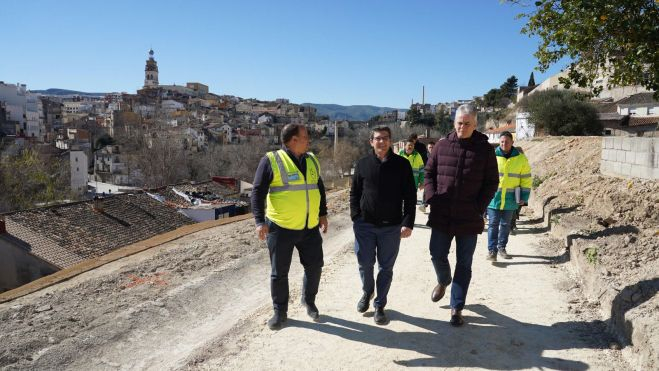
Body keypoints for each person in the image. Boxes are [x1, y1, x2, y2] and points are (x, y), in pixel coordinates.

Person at [423, 104, 499, 327]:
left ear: (475, 125)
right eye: (459, 123)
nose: (462, 127)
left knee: (464, 264)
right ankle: (443, 280)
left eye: (467, 124)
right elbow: (429, 173)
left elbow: (491, 182)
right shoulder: (441, 145)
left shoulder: (485, 150)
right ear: (453, 122)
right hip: (441, 213)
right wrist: (431, 197)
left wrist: (479, 206)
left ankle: (457, 307)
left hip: (469, 216)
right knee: (437, 254)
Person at [251, 124, 329, 330]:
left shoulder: (311, 159)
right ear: (293, 140)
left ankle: (308, 301)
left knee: (315, 267)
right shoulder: (271, 160)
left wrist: (323, 213)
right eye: (305, 137)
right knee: (279, 273)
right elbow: (257, 192)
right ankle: (280, 312)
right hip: (280, 228)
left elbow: (318, 187)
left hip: (309, 227)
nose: (308, 140)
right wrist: (259, 222)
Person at [350, 126, 416, 325]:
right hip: (365, 226)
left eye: (385, 138)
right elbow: (354, 193)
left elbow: (410, 197)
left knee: (386, 268)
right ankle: (367, 292)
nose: (382, 142)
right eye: (378, 138)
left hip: (391, 227)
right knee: (365, 263)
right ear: (371, 142)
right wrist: (355, 216)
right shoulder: (362, 164)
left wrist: (408, 223)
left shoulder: (402, 165)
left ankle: (380, 304)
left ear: (391, 141)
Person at [486, 131, 532, 261]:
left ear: (512, 142)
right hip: (493, 198)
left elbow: (526, 179)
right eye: (501, 142)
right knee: (493, 224)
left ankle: (501, 248)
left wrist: (524, 196)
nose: (504, 144)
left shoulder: (521, 159)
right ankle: (491, 251)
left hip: (511, 199)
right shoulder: (491, 156)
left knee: (506, 225)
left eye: (506, 142)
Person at [419, 141, 435, 213]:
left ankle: (433, 206)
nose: (431, 149)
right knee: (426, 190)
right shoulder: (424, 156)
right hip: (427, 175)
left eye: (432, 147)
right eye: (429, 147)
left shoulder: (437, 155)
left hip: (436, 175)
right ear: (427, 148)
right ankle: (424, 205)